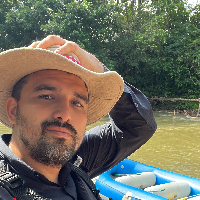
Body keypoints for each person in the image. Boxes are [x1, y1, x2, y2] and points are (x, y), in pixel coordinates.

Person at [0, 35, 157, 200]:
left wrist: (101, 70)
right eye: (46, 96)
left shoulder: (77, 160)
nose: (65, 114)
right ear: (13, 110)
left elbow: (138, 127)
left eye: (77, 103)